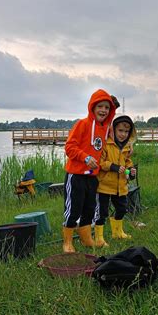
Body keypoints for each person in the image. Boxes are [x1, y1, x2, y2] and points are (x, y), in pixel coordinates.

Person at [62, 89, 117, 253]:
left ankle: (86, 239)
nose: (103, 110)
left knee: (89, 208)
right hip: (76, 175)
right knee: (73, 209)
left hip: (92, 177)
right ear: (92, 107)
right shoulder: (82, 124)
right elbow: (69, 147)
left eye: (107, 108)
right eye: (100, 106)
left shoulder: (106, 128)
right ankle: (67, 242)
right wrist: (86, 158)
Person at [94, 114, 137, 247]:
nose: (123, 134)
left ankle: (117, 232)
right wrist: (113, 167)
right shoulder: (106, 144)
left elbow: (127, 162)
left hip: (121, 186)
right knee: (102, 212)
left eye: (126, 131)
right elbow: (100, 162)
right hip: (104, 186)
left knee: (122, 209)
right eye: (120, 131)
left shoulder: (126, 147)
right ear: (113, 130)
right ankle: (99, 238)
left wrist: (131, 171)